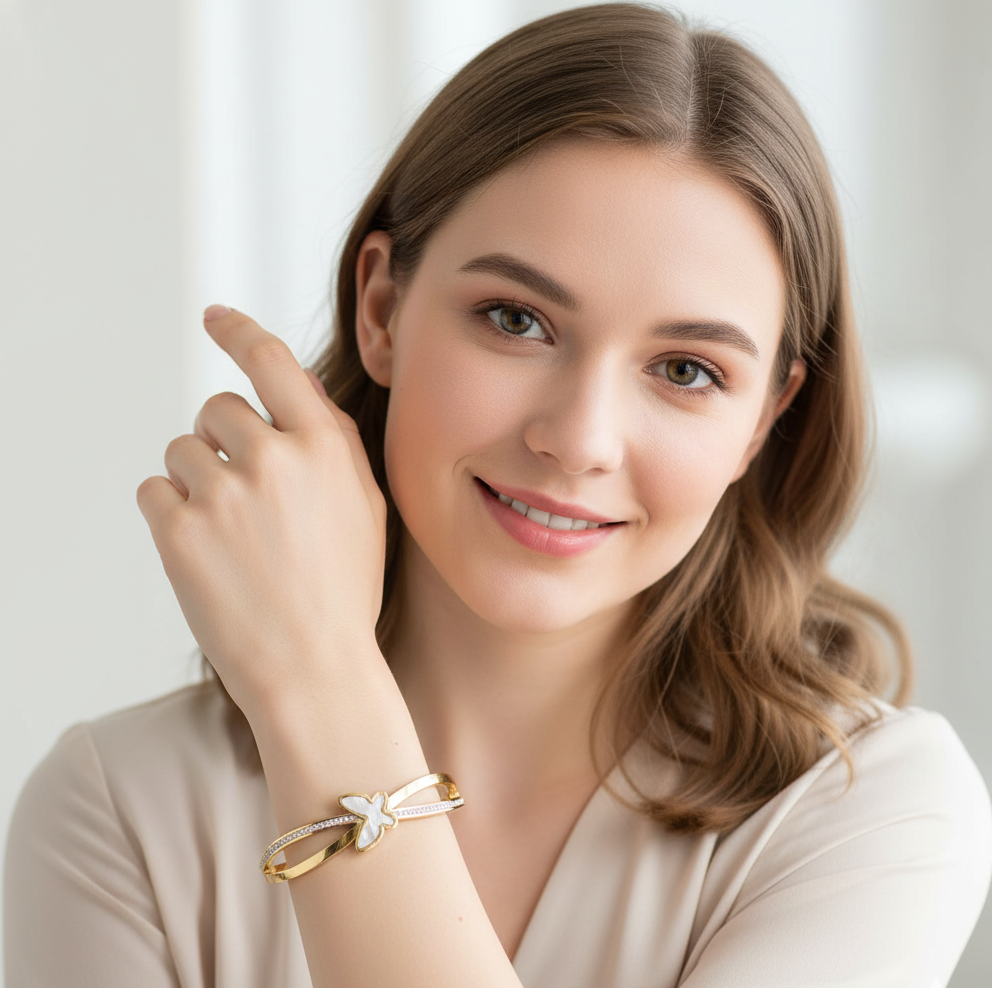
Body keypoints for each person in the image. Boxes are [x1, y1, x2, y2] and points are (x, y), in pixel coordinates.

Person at [5, 4, 991, 986]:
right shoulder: (119, 814)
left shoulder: (869, 809)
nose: (577, 439)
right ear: (382, 308)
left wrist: (322, 684)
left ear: (764, 419)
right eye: (514, 319)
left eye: (685, 370)